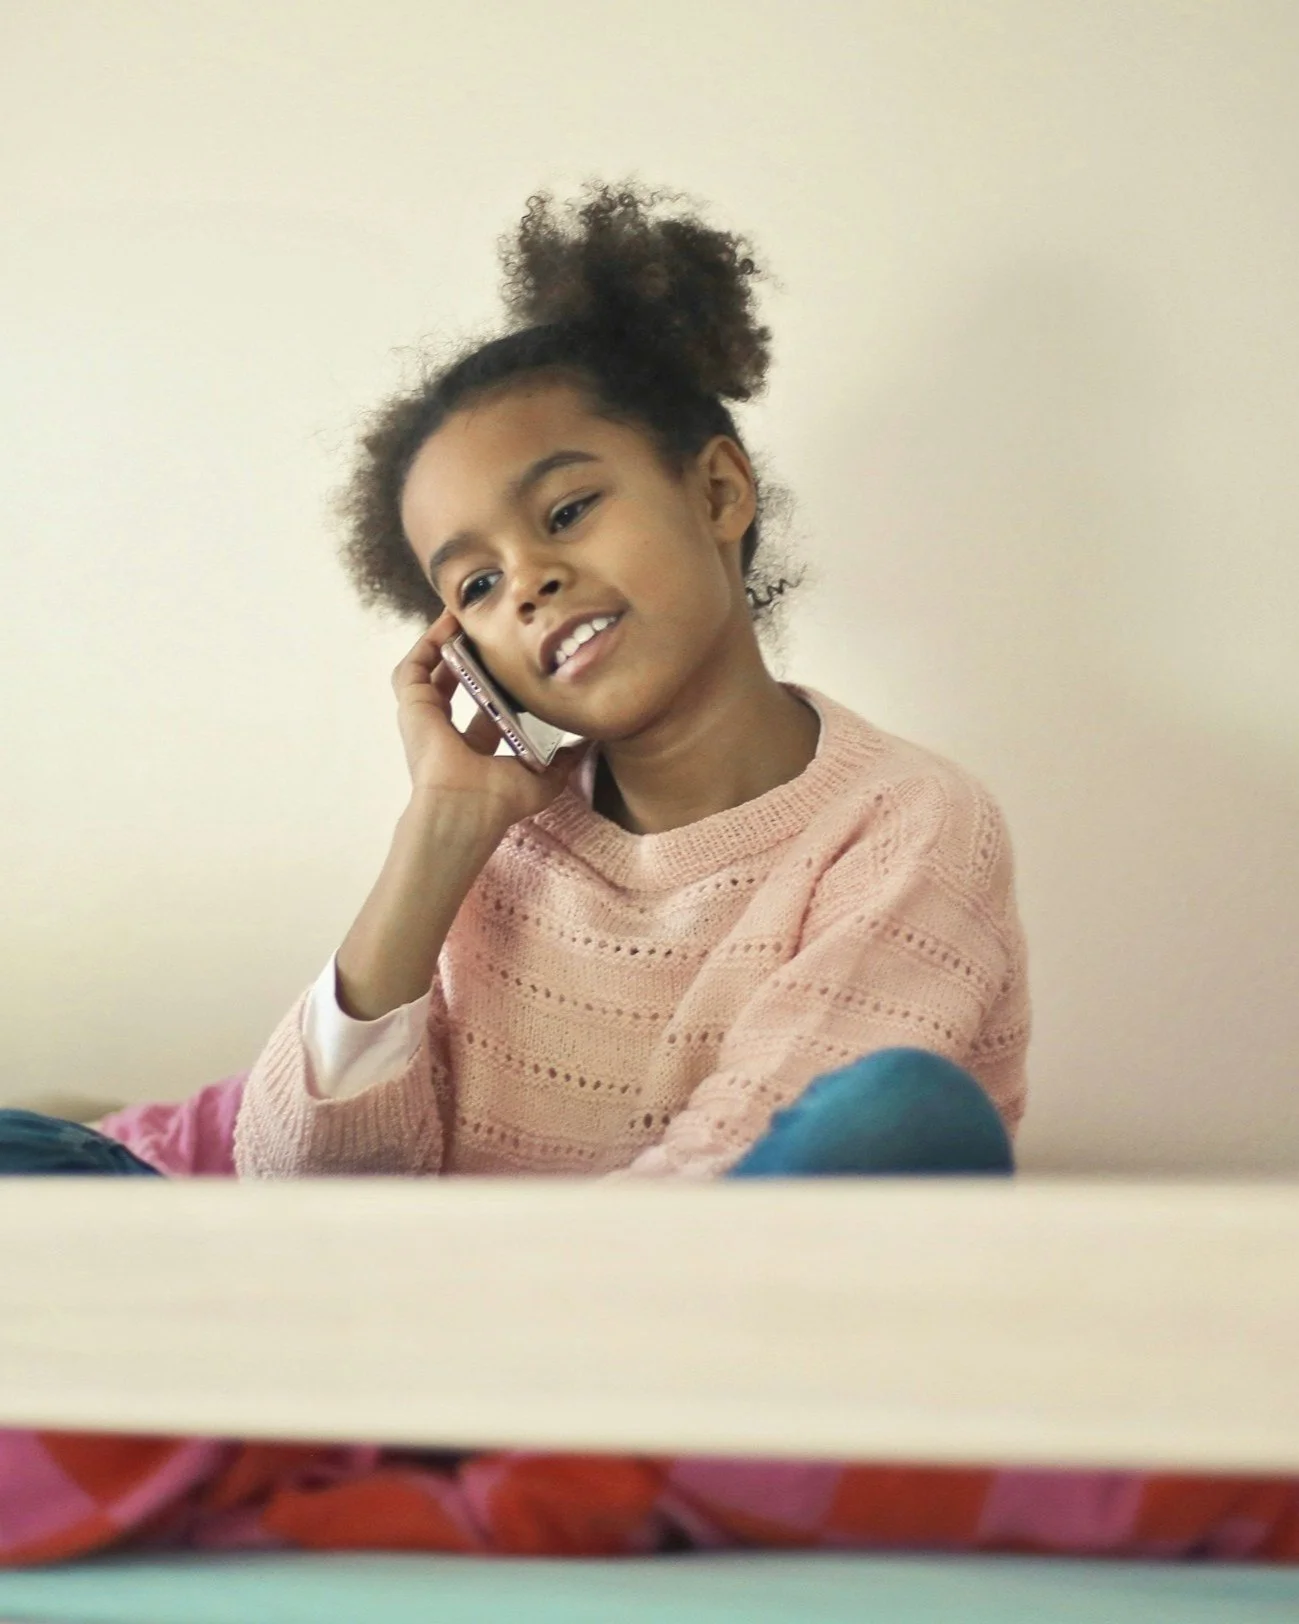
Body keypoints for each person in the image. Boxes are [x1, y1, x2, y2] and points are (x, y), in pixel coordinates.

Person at [4, 179, 1293, 1566]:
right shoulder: (500, 841)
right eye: (475, 586)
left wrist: (415, 1332)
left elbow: (740, 1173)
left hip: (636, 1326)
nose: (528, 583)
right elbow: (294, 1194)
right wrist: (438, 837)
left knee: (900, 1123)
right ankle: (432, 1419)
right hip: (410, 1332)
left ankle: (426, 1423)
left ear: (719, 491)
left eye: (566, 511)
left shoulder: (911, 821)